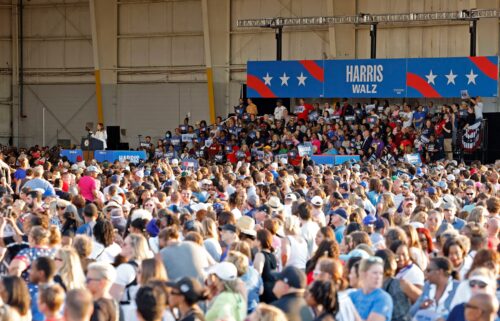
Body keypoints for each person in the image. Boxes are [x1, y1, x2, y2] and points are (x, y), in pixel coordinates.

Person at [110, 234, 151, 321]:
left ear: (134, 247)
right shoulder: (147, 265)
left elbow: (113, 298)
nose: (121, 246)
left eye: (125, 244)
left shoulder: (125, 268)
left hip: (126, 313)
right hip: (141, 313)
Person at [349, 257, 393, 321]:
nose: (378, 277)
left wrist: (351, 309)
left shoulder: (383, 298)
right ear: (363, 274)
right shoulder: (352, 295)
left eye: (381, 273)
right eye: (375, 273)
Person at [253, 228, 277, 304]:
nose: (254, 240)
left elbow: (257, 274)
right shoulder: (273, 256)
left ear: (259, 242)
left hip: (264, 291)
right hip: (273, 289)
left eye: (255, 238)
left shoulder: (259, 255)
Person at [29, 256, 57, 321]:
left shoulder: (42, 297)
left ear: (41, 273)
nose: (29, 272)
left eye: (32, 269)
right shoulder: (60, 292)